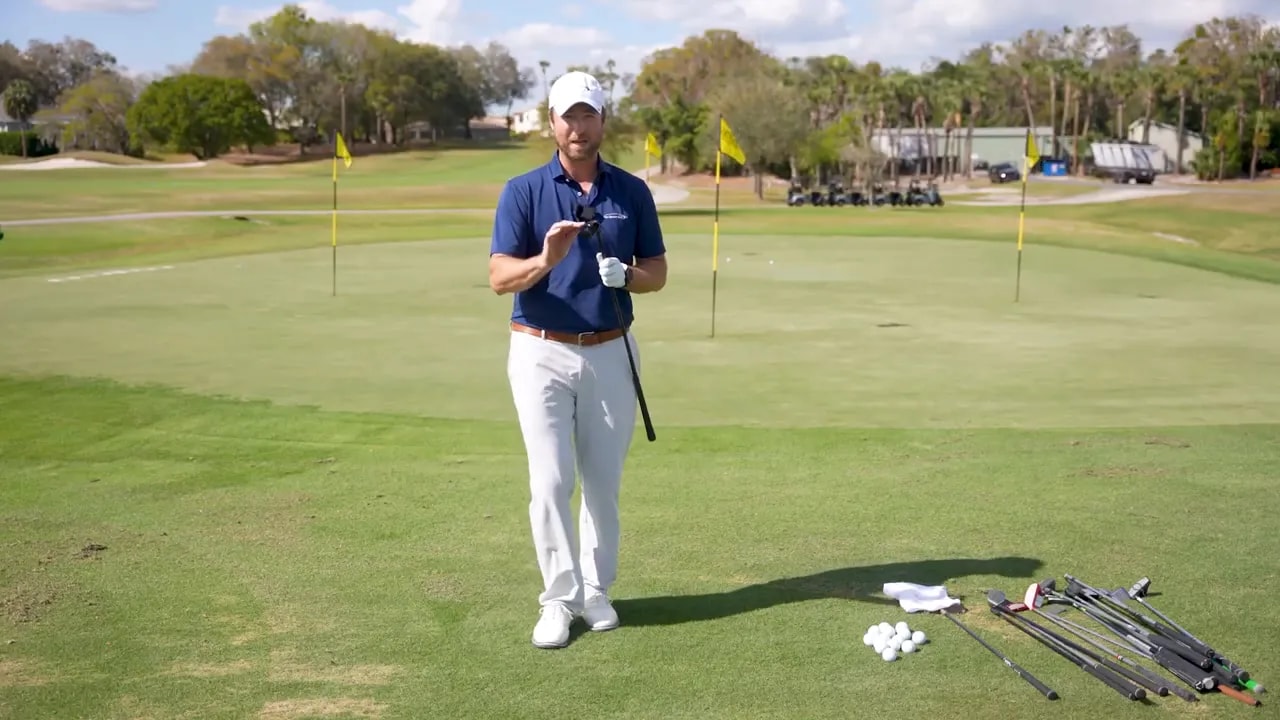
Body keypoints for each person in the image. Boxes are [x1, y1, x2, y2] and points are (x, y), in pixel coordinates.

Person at [487, 70, 669, 649]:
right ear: (551, 123)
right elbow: (498, 278)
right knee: (550, 480)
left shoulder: (631, 192)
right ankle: (558, 600)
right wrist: (545, 258)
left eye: (587, 115)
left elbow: (657, 274)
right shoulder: (523, 191)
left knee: (602, 484)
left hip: (611, 349)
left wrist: (629, 276)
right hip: (540, 349)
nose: (578, 127)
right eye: (568, 116)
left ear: (602, 121)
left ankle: (596, 590)